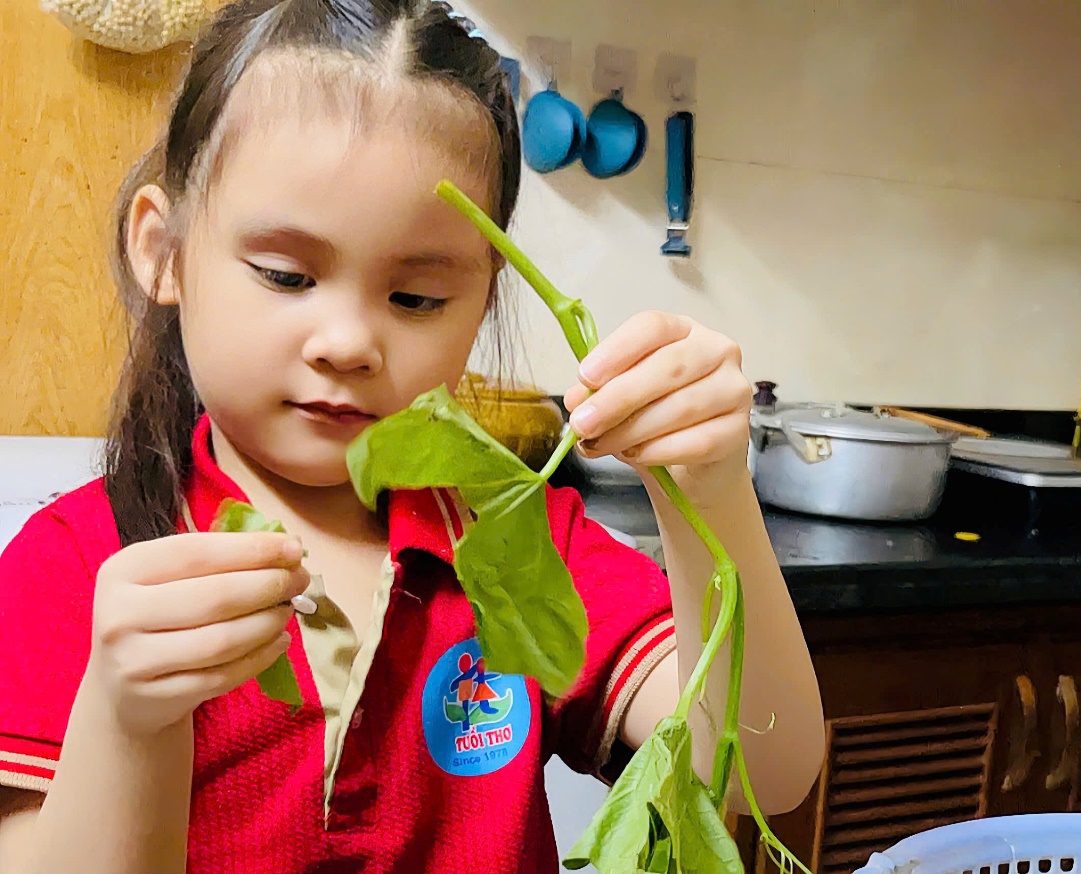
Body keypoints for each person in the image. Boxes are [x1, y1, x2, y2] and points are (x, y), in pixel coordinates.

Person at [0, 1, 824, 871]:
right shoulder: (72, 565)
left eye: (416, 298)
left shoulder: (520, 546)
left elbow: (764, 774)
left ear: (483, 301)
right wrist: (125, 723)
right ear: (162, 250)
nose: (349, 343)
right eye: (286, 275)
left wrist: (711, 493)